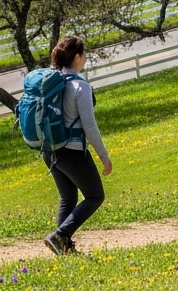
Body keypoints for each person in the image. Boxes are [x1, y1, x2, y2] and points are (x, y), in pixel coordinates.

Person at [41, 35, 112, 255]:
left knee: (68, 197)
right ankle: (61, 236)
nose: (86, 58)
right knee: (95, 196)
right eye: (85, 54)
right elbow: (90, 127)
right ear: (78, 57)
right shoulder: (80, 87)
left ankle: (63, 248)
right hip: (71, 151)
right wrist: (104, 156)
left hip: (48, 149)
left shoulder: (52, 81)